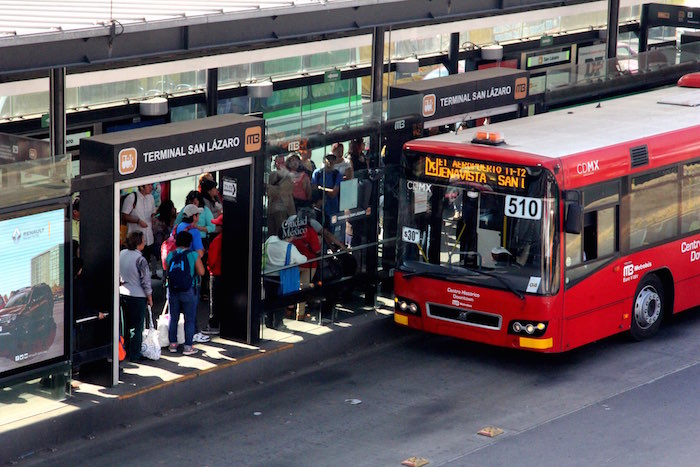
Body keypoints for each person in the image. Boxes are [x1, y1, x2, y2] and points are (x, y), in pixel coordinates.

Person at [165, 230, 205, 355]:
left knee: (173, 318)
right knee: (189, 319)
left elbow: (168, 270)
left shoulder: (171, 255)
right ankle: (188, 346)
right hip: (189, 290)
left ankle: (172, 344)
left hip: (173, 290)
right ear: (190, 242)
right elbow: (201, 272)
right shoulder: (193, 255)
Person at [175, 204, 210, 343]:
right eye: (197, 214)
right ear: (193, 216)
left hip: (176, 269)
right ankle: (194, 332)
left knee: (176, 307)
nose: (199, 217)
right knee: (191, 305)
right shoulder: (194, 232)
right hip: (190, 272)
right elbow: (200, 253)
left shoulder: (179, 227)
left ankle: (175, 337)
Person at [263, 225, 307, 330]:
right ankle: (278, 323)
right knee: (280, 301)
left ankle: (268, 322)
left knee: (269, 299)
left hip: (267, 274)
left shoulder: (270, 240)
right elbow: (302, 260)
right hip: (281, 277)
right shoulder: (289, 247)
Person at [119, 231, 153, 362]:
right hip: (138, 295)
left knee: (125, 324)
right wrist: (149, 297)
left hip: (123, 293)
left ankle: (125, 349)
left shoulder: (121, 254)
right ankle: (135, 354)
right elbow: (145, 281)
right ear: (139, 243)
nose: (145, 242)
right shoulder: (141, 260)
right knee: (137, 326)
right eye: (143, 240)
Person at [284, 212, 321, 321]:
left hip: (294, 263)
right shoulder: (310, 231)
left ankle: (288, 311)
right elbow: (317, 250)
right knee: (303, 289)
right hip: (309, 263)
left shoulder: (291, 232)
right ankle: (300, 315)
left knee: (291, 287)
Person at [121, 185, 156, 266]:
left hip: (148, 238)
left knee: (145, 262)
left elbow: (153, 212)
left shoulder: (151, 198)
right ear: (141, 187)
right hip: (135, 239)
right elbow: (124, 216)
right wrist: (138, 221)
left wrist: (153, 217)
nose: (151, 187)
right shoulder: (131, 198)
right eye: (149, 185)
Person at [203, 214, 224, 335]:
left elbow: (212, 258)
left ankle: (214, 325)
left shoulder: (217, 240)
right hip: (225, 274)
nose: (215, 226)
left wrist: (209, 267)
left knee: (214, 301)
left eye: (217, 225)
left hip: (216, 274)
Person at [311, 153, 342, 233]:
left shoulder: (337, 174)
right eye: (328, 159)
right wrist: (327, 191)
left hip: (333, 208)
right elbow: (315, 190)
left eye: (333, 159)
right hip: (319, 208)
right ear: (324, 160)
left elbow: (334, 193)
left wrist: (321, 188)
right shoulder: (317, 173)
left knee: (332, 232)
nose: (330, 161)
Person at [267, 154, 296, 236]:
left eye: (282, 161)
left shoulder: (289, 176)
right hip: (272, 209)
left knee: (283, 234)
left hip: (285, 208)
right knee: (272, 234)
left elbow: (284, 191)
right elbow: (269, 191)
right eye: (278, 161)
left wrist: (271, 188)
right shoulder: (272, 175)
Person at [152, 199, 177, 278]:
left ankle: (157, 273)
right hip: (165, 244)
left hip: (159, 243)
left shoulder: (157, 219)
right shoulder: (168, 220)